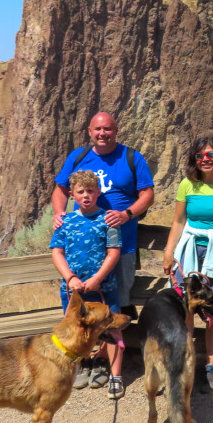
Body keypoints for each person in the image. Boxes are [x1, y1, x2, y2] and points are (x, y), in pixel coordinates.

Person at [162, 137, 213, 392]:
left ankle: (211, 365)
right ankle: (187, 361)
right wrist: (168, 252)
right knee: (186, 307)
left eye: (210, 154)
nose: (206, 159)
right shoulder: (187, 185)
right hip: (188, 250)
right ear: (194, 159)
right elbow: (178, 222)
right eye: (200, 156)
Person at [52, 112, 155, 323]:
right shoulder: (78, 157)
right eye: (97, 129)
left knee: (117, 303)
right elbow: (60, 190)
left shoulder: (132, 157)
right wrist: (58, 214)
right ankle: (93, 353)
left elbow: (148, 195)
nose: (102, 133)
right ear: (90, 132)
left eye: (107, 129)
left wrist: (127, 214)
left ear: (116, 131)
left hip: (120, 245)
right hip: (82, 249)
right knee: (82, 305)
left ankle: (117, 351)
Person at [49, 170, 125, 399]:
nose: (86, 196)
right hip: (73, 290)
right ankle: (79, 368)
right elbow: (57, 253)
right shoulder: (65, 221)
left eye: (90, 191)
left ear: (98, 192)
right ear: (72, 195)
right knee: (75, 328)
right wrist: (70, 277)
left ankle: (115, 375)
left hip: (104, 287)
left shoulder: (108, 220)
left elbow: (113, 252)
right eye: (80, 192)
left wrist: (98, 278)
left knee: (112, 328)